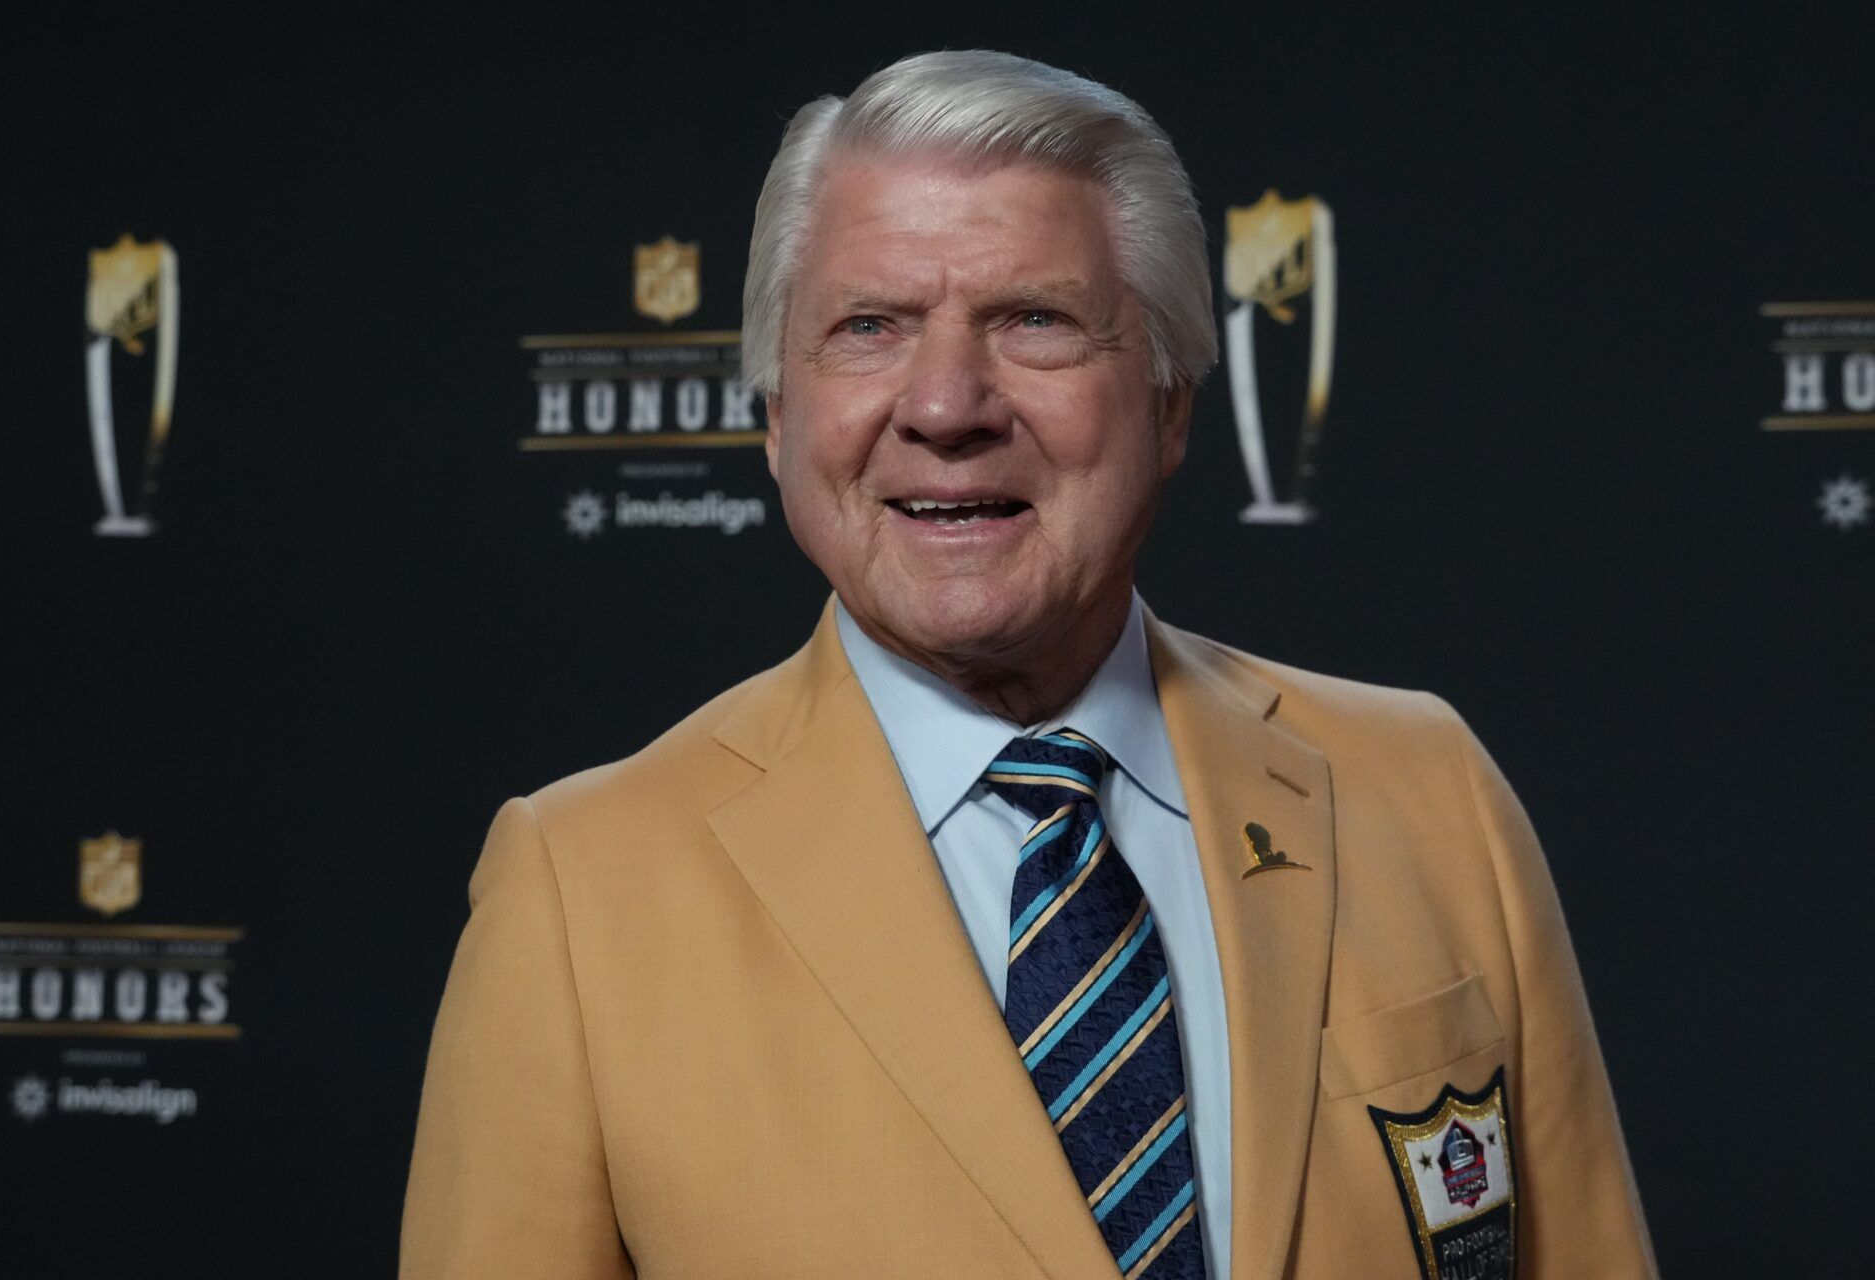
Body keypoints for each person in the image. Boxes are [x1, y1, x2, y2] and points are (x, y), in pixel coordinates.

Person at [401, 50, 1655, 1280]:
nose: (947, 404)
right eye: (869, 326)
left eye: (1034, 321)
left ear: (1168, 401)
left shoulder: (1429, 792)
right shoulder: (580, 893)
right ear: (778, 415)